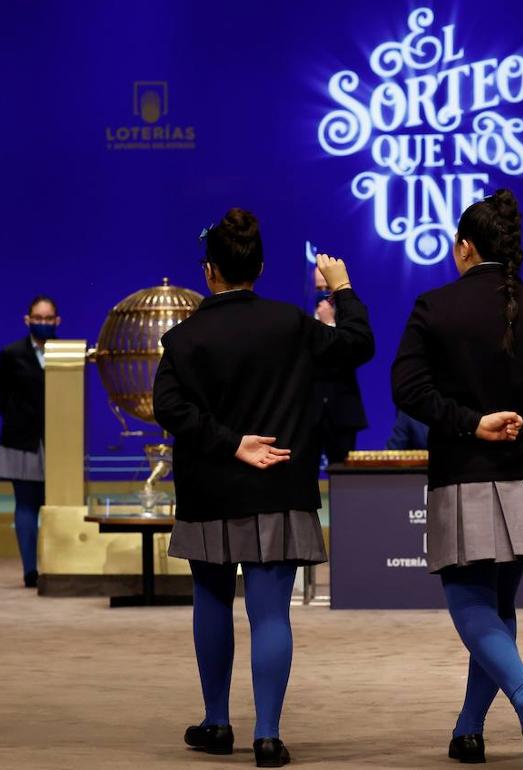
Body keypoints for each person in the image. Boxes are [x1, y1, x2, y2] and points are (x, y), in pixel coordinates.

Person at [152, 209, 373, 767]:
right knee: (271, 614)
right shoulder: (292, 325)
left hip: (210, 490)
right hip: (279, 488)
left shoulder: (182, 337)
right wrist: (341, 287)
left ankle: (217, 722)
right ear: (261, 266)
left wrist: (230, 442)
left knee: (212, 602)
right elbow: (357, 344)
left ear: (209, 271)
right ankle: (268, 735)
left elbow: (169, 408)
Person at [392, 189, 523, 770]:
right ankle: (467, 731)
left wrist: (469, 422)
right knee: (498, 605)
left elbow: (406, 391)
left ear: (464, 249)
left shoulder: (434, 306)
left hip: (465, 474)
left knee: (468, 600)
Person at [0, 295, 61, 588]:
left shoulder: (65, 351)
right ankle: (30, 570)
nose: (43, 323)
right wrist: (20, 419)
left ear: (56, 321)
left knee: (58, 505)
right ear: (27, 320)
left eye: (48, 319)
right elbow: (0, 394)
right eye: (38, 318)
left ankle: (58, 568)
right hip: (22, 439)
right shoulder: (12, 353)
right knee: (26, 503)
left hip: (59, 440)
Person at [311, 266, 368, 464]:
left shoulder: (351, 316)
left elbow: (357, 354)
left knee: (344, 477)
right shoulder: (303, 320)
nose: (324, 294)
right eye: (319, 288)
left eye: (328, 287)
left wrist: (330, 325)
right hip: (311, 413)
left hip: (342, 411)